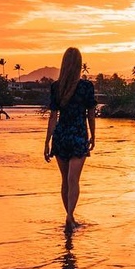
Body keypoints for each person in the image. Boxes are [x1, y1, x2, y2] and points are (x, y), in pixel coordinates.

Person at [43, 47, 96, 229]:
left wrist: (47, 141)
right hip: (78, 135)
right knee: (74, 180)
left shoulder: (56, 87)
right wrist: (93, 135)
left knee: (65, 180)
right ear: (79, 64)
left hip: (61, 136)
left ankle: (69, 217)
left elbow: (53, 117)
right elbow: (90, 114)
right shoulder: (86, 87)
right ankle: (70, 215)